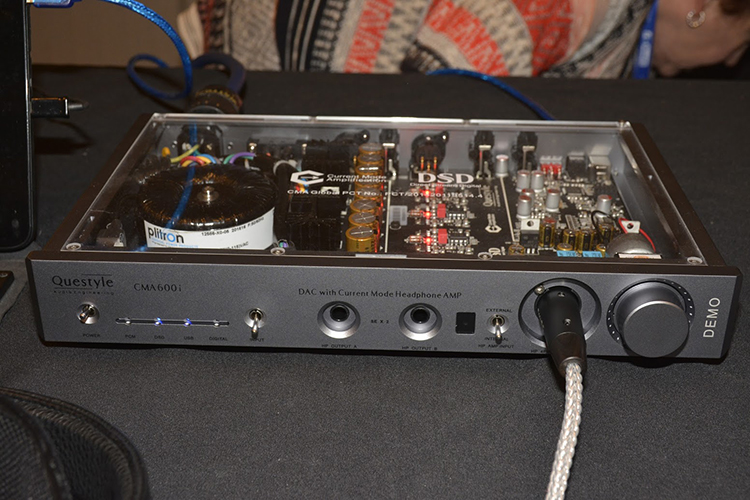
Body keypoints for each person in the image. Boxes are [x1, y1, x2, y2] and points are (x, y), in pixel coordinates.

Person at [177, 0, 750, 78]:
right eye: (741, 44)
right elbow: (438, 82)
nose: (729, 60)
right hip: (252, 69)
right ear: (702, 12)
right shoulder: (575, 9)